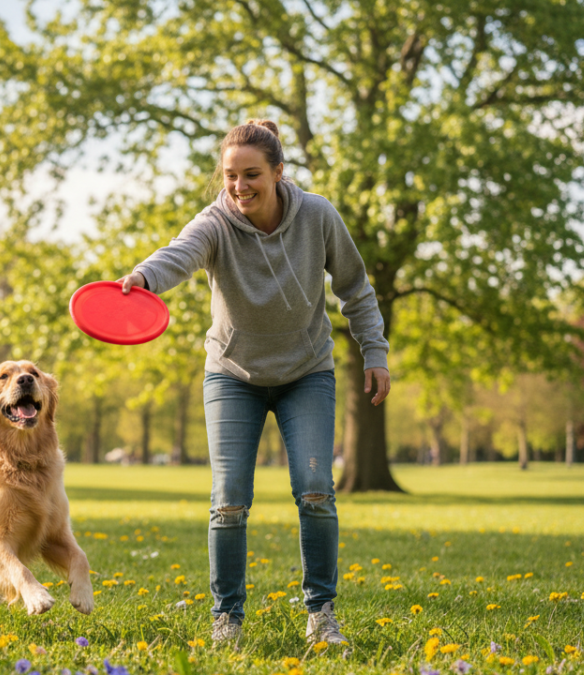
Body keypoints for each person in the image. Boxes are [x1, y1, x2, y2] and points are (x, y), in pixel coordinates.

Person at [119, 119, 390, 647]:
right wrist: (143, 278)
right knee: (229, 500)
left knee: (315, 491)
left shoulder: (318, 215)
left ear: (278, 173)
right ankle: (228, 620)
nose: (239, 187)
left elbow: (356, 289)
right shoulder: (216, 222)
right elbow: (180, 252)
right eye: (230, 177)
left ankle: (321, 614)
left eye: (251, 175)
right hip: (233, 375)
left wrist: (374, 351)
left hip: (306, 373)